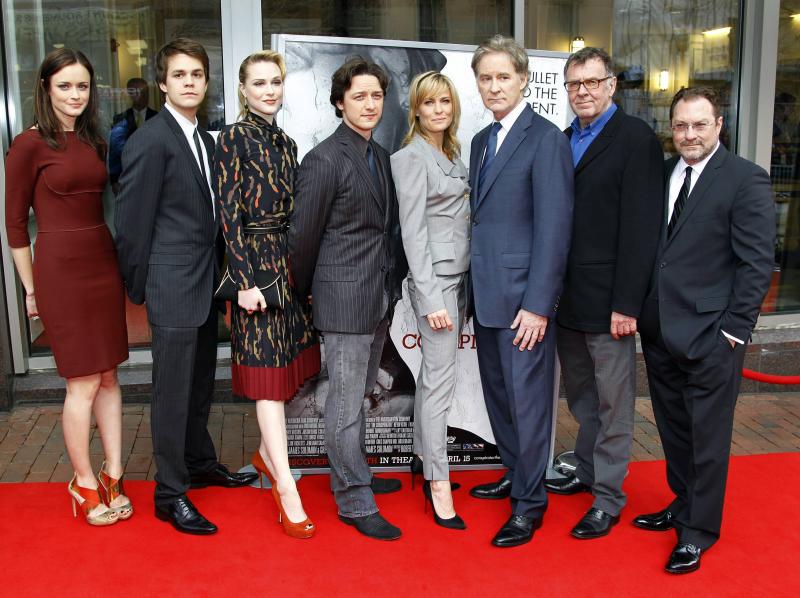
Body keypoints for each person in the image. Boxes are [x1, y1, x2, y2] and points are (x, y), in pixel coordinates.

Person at [114, 38, 257, 536]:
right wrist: (141, 287)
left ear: (206, 81)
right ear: (163, 83)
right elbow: (131, 225)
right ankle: (170, 493)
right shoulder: (150, 140)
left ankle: (198, 463)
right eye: (179, 74)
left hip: (203, 286)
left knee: (199, 386)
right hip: (172, 285)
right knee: (172, 393)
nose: (189, 82)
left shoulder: (204, 138)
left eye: (196, 74)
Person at [635, 87, 775, 574]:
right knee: (674, 430)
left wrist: (734, 332)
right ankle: (683, 504)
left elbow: (757, 263)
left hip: (713, 335)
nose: (689, 134)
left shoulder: (745, 179)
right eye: (680, 125)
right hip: (660, 331)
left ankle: (697, 531)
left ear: (718, 125)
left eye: (699, 124)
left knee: (707, 439)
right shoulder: (664, 174)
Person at [4, 49, 130, 525]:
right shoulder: (27, 145)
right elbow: (15, 225)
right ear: (45, 88)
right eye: (64, 86)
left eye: (82, 86)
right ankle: (83, 482)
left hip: (101, 263)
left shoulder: (95, 140)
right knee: (82, 381)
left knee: (110, 375)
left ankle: (114, 473)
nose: (75, 95)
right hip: (59, 270)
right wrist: (30, 289)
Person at [543, 47, 664, 539]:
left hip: (611, 301)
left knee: (614, 403)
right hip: (567, 299)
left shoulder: (635, 138)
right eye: (575, 84)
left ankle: (609, 498)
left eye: (593, 82)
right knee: (583, 397)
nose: (583, 92)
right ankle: (589, 470)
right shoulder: (563, 138)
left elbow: (642, 227)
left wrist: (627, 304)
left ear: (612, 85)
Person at [290, 57, 407, 541]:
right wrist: (305, 295)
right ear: (340, 102)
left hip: (377, 297)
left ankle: (354, 470)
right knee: (342, 402)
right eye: (359, 96)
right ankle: (354, 499)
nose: (369, 104)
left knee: (356, 396)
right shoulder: (324, 159)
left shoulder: (379, 155)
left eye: (376, 95)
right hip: (343, 301)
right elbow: (302, 238)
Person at [466, 35, 573, 548]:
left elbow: (555, 229)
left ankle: (530, 505)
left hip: (523, 305)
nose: (494, 86)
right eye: (485, 78)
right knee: (500, 399)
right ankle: (515, 473)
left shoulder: (546, 139)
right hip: (486, 297)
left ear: (524, 79)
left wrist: (538, 306)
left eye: (503, 76)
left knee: (529, 407)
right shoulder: (480, 141)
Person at [213, 50, 320, 539]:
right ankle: (286, 487)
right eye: (259, 83)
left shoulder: (286, 140)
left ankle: (265, 456)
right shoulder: (233, 137)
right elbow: (227, 215)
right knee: (267, 379)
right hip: (254, 267)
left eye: (275, 81)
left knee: (285, 370)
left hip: (287, 263)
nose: (269, 90)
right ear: (243, 89)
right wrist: (244, 283)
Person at [391, 72, 469, 530]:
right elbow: (413, 233)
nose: (438, 110)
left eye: (445, 101)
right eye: (429, 103)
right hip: (436, 284)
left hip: (459, 278)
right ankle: (439, 482)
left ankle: (423, 457)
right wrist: (430, 296)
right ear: (416, 110)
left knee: (433, 379)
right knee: (440, 383)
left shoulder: (451, 152)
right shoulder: (410, 157)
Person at [108, 78, 158, 193]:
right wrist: (114, 180)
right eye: (140, 92)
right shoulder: (120, 119)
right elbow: (114, 152)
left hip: (153, 176)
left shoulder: (158, 117)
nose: (144, 96)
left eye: (146, 92)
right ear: (130, 94)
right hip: (127, 178)